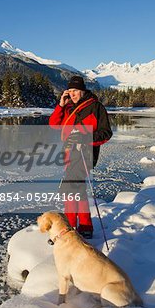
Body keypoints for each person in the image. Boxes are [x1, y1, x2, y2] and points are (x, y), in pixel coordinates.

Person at [49, 75, 112, 238]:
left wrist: (85, 138)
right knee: (79, 190)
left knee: (69, 190)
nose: (72, 94)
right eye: (69, 91)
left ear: (83, 90)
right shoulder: (68, 107)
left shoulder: (96, 107)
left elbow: (106, 134)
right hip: (69, 155)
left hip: (85, 155)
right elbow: (54, 124)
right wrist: (61, 105)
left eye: (75, 90)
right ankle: (85, 227)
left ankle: (69, 229)